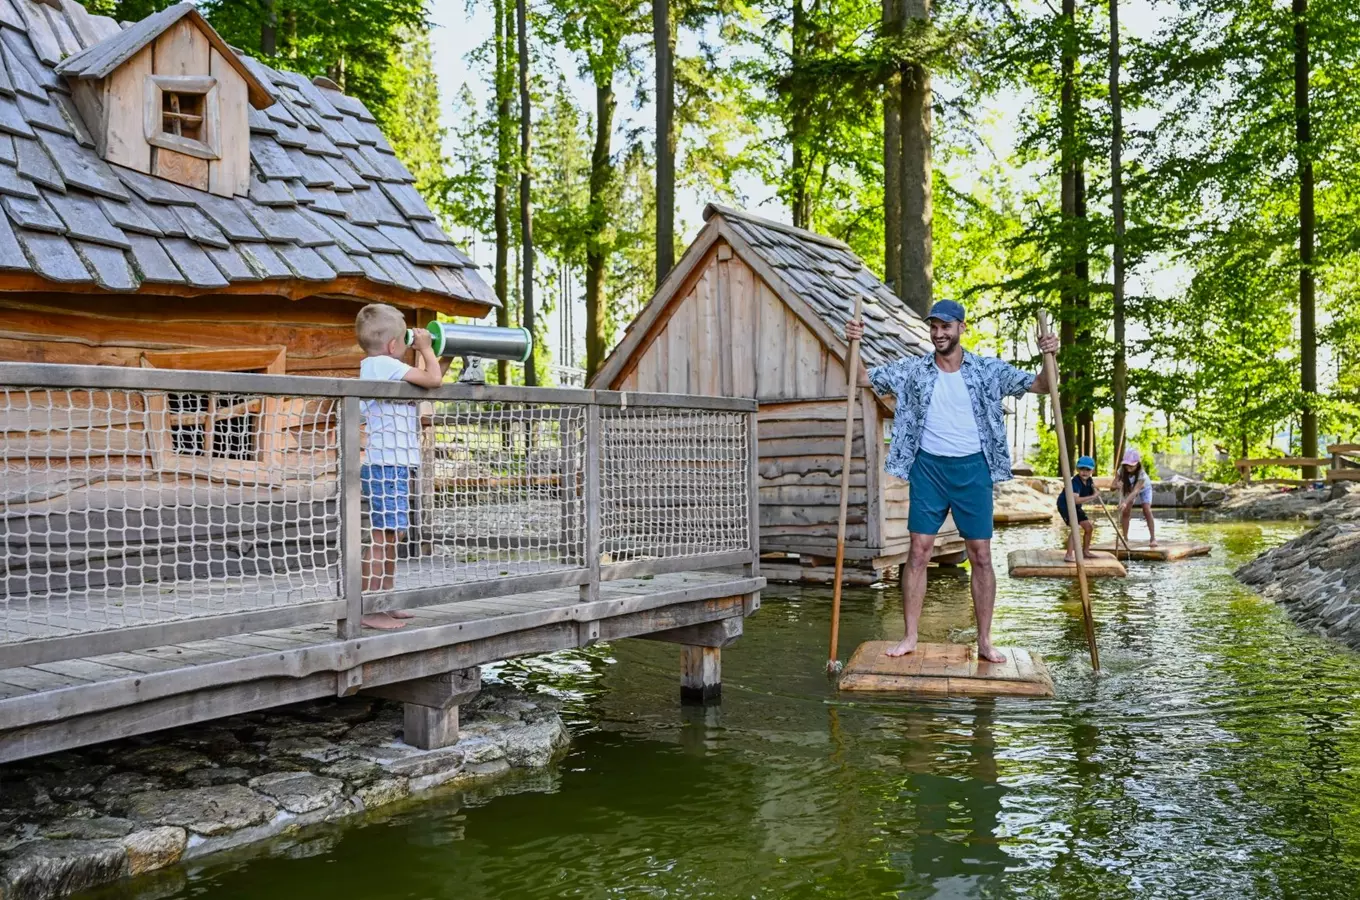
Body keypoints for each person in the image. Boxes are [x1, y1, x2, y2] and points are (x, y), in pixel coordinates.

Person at [847, 300, 1059, 663]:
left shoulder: (986, 371)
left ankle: (985, 641)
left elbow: (1041, 385)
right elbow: (863, 378)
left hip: (973, 469)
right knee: (918, 552)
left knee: (980, 555)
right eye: (934, 326)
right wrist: (854, 343)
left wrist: (1048, 355)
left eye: (946, 326)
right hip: (928, 469)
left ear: (962, 328)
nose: (939, 333)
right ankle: (910, 636)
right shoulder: (914, 370)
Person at [354, 304, 448, 630]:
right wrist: (425, 349)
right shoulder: (382, 365)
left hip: (393, 465)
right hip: (386, 466)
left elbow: (430, 380)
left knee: (393, 536)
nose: (412, 346)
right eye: (407, 342)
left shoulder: (383, 368)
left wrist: (436, 352)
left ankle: (386, 600)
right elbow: (432, 378)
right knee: (383, 537)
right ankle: (368, 608)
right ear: (394, 346)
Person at [1056, 456, 1099, 562]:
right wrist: (1093, 496)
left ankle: (1086, 551)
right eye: (1082, 469)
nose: (1084, 472)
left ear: (1092, 470)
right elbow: (1075, 500)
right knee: (1076, 527)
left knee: (1088, 527)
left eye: (1088, 470)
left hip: (1076, 507)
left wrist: (1095, 490)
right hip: (1065, 505)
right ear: (1077, 469)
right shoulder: (1075, 482)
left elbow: (1093, 489)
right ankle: (1069, 555)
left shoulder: (1089, 480)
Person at [1117, 448, 1157, 547]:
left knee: (1146, 509)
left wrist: (1125, 502)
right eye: (1126, 465)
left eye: (1131, 466)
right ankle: (1125, 538)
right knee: (1126, 511)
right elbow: (1112, 487)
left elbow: (1136, 491)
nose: (1128, 468)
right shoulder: (1121, 471)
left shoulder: (1142, 475)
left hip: (1144, 489)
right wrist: (1117, 485)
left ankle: (1153, 538)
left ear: (1137, 464)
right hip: (1130, 488)